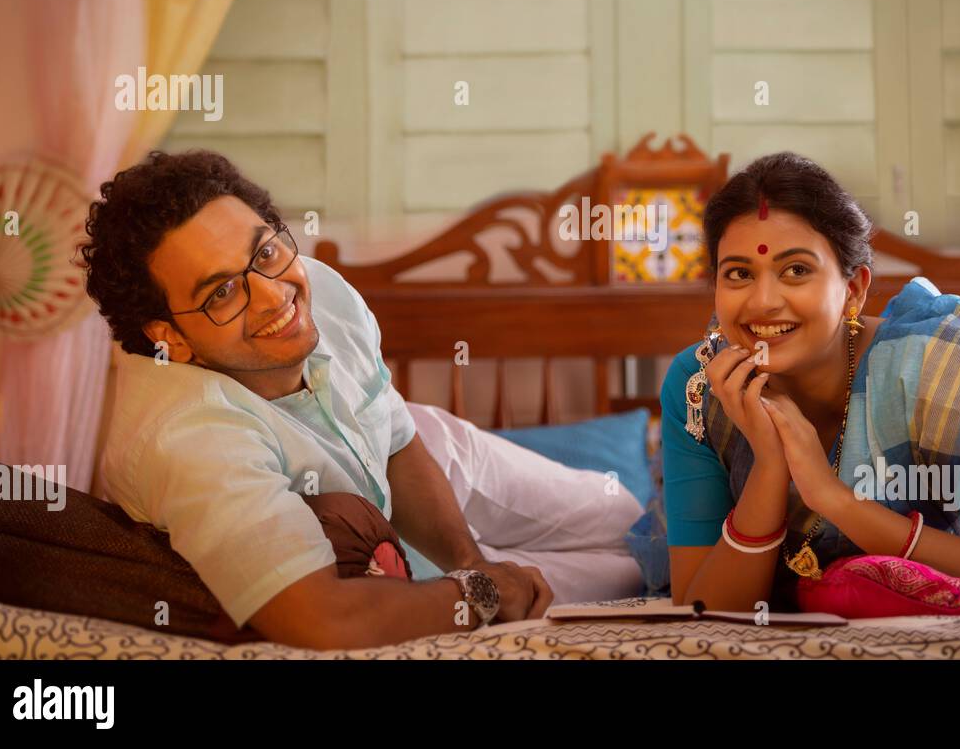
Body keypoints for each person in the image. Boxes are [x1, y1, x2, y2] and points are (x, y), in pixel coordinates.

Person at [82, 150, 644, 650]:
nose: (274, 295)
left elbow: (399, 443)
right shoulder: (189, 436)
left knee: (627, 518)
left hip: (421, 463)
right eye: (222, 292)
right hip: (372, 561)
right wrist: (481, 592)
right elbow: (324, 621)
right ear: (169, 338)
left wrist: (474, 565)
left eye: (267, 252)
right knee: (625, 577)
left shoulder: (319, 289)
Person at [660, 152, 960, 613]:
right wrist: (770, 463)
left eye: (796, 270)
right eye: (738, 274)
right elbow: (700, 609)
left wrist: (831, 496)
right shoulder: (699, 389)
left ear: (853, 289)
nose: (763, 301)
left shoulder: (938, 367)